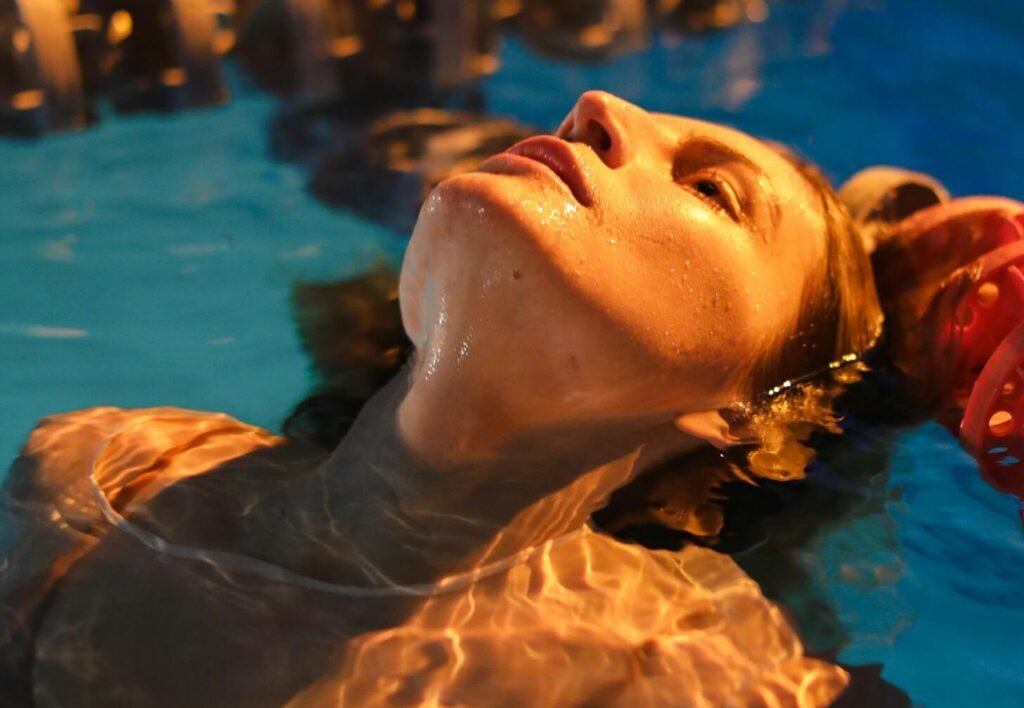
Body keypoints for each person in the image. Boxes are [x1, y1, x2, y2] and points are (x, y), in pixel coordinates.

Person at [1, 91, 1016, 707]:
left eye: (711, 192)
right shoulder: (109, 470)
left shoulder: (684, 667)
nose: (597, 109)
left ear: (740, 414)